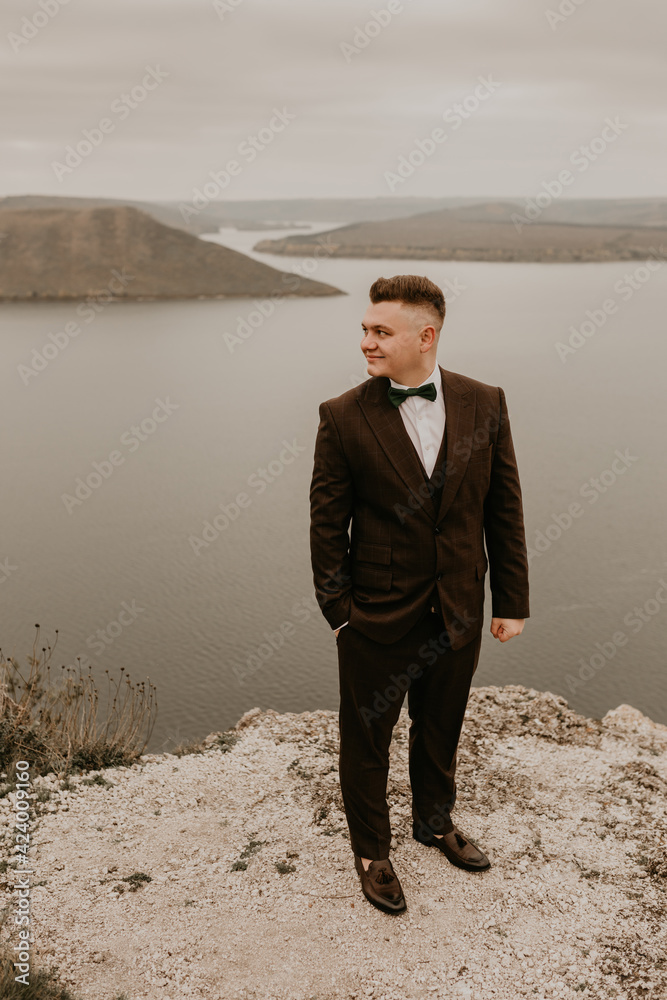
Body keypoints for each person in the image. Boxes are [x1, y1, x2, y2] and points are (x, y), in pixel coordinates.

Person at [309, 274, 530, 914]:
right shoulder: (342, 416)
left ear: (424, 335)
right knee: (367, 737)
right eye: (365, 329)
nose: (366, 343)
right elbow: (327, 524)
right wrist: (339, 612)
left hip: (459, 606)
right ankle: (373, 852)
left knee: (442, 725)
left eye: (380, 331)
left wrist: (510, 600)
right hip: (374, 614)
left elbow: (504, 508)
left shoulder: (486, 402)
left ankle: (434, 823)